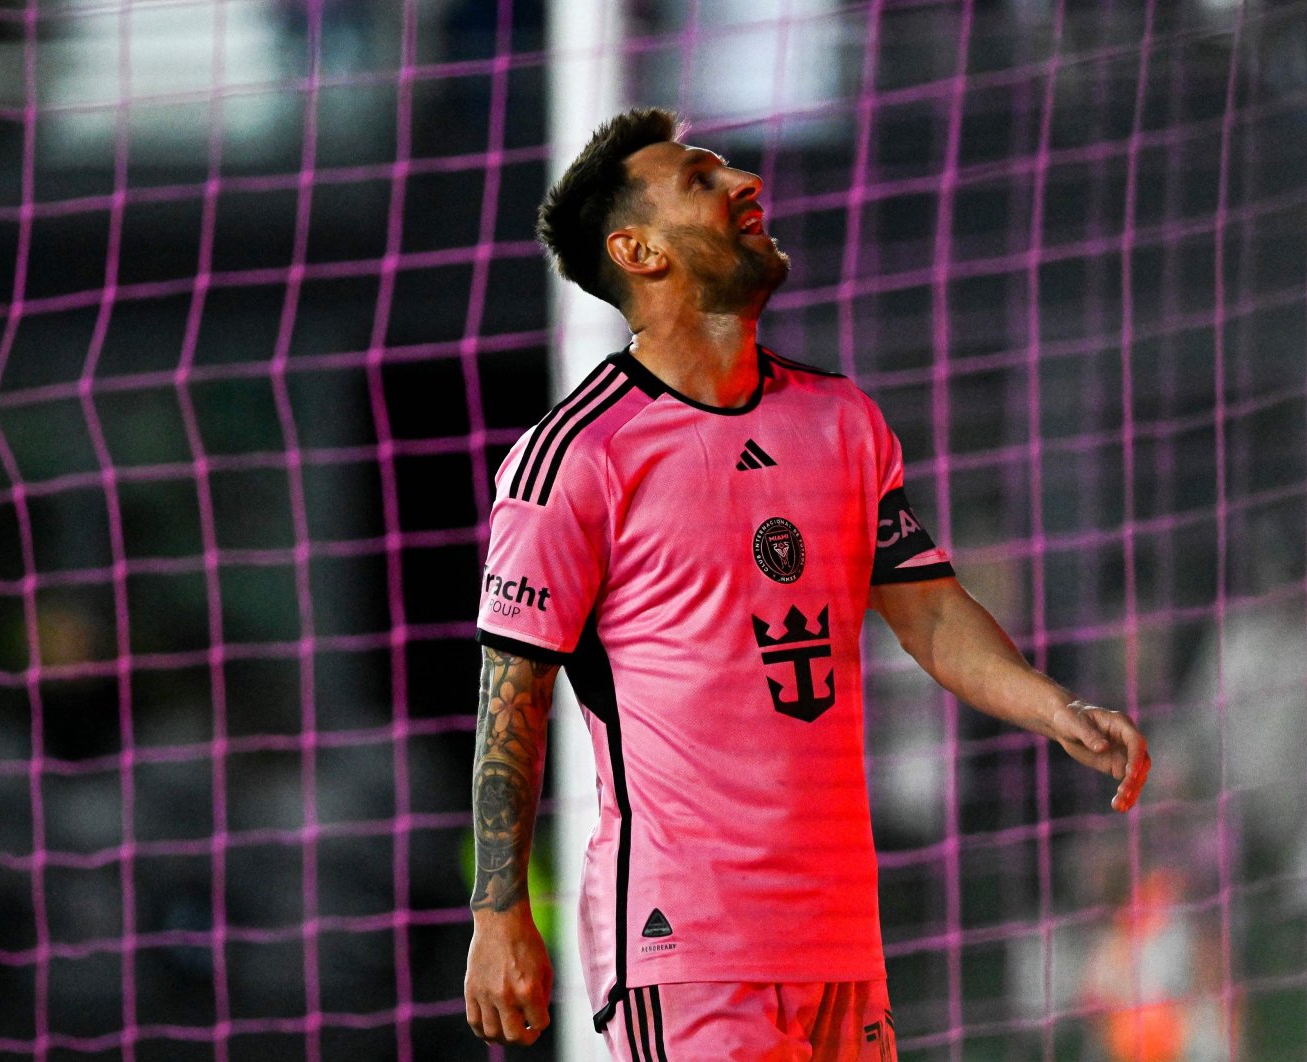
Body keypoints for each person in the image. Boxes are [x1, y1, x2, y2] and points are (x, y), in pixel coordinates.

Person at [462, 107, 1151, 1058]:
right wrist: (499, 915)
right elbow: (515, 692)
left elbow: (934, 613)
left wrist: (1053, 706)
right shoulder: (577, 457)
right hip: (687, 941)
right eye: (701, 180)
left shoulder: (841, 420)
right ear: (638, 250)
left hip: (840, 937)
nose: (744, 183)